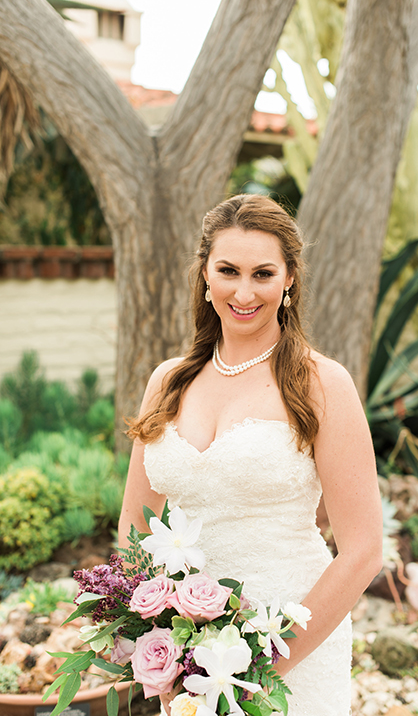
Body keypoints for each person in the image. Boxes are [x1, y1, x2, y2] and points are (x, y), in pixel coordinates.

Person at [119, 194, 383, 716]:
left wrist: (264, 667)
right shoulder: (168, 382)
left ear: (289, 279)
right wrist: (156, 644)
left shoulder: (322, 383)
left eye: (263, 273)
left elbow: (363, 551)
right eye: (228, 271)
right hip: (187, 654)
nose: (244, 292)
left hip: (291, 644)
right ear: (205, 275)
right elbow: (135, 530)